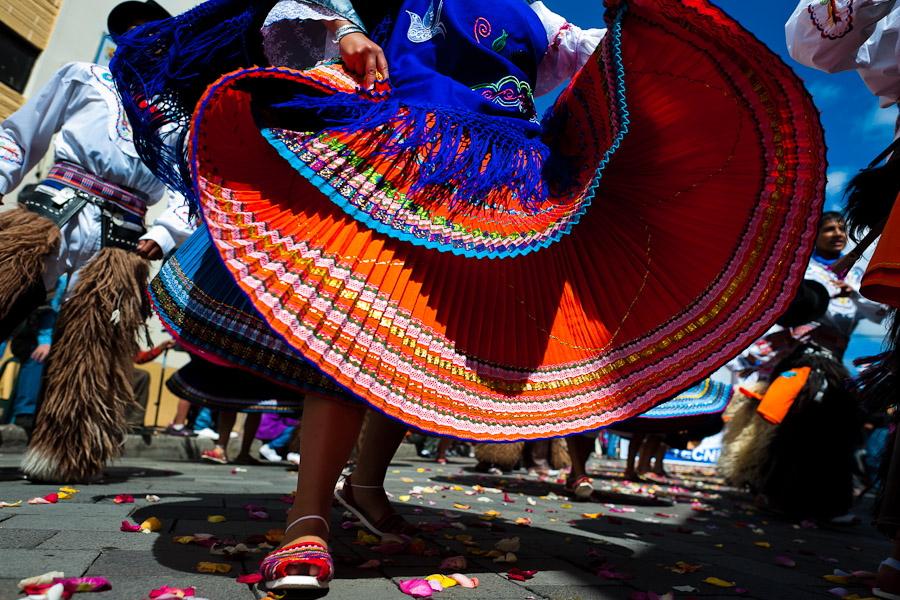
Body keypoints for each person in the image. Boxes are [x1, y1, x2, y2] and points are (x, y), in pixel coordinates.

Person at [113, 0, 826, 591]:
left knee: (427, 344)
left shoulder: (531, 12)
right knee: (354, 332)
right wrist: (350, 32)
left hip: (501, 185)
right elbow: (311, 6)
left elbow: (587, 53)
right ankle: (307, 519)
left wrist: (646, 21)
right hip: (398, 156)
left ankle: (363, 489)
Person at [0, 0, 200, 483]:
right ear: (118, 40)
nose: (142, 42)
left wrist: (164, 232)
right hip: (53, 209)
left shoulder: (179, 116)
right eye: (131, 34)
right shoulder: (84, 77)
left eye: (153, 35)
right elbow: (20, 136)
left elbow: (190, 188)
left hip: (125, 235)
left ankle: (62, 453)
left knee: (94, 346)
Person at [787, 2, 900, 597]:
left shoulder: (852, 277)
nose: (838, 237)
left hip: (830, 362)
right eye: (831, 231)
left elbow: (865, 56)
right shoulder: (811, 273)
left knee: (829, 434)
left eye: (841, 232)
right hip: (808, 364)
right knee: (805, 432)